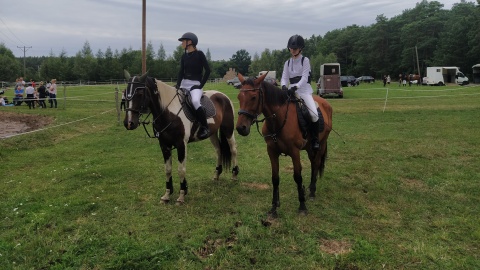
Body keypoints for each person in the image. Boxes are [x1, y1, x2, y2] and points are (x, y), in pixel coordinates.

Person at [280, 34, 323, 151]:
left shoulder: (305, 60)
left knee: (314, 114)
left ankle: (315, 139)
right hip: (290, 91)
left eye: (295, 48)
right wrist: (284, 86)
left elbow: (304, 77)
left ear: (300, 48)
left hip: (304, 91)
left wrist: (296, 86)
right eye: (291, 48)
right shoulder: (287, 63)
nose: (293, 50)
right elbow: (284, 77)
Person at [175, 32, 211, 139]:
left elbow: (208, 71)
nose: (181, 43)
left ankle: (205, 127)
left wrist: (200, 86)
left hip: (195, 84)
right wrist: (177, 85)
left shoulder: (200, 54)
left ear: (190, 42)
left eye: (183, 41)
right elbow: (181, 72)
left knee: (195, 101)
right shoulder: (184, 56)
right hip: (183, 84)